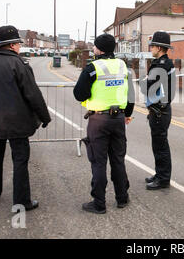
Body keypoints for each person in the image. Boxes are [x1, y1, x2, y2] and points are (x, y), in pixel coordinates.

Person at [0, 25, 51, 211]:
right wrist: (44, 117)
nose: (19, 48)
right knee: (20, 161)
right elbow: (33, 94)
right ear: (13, 45)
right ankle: (21, 201)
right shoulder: (20, 65)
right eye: (18, 44)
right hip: (18, 123)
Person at [74, 34, 135, 214]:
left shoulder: (92, 67)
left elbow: (79, 94)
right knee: (118, 159)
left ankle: (99, 203)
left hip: (98, 120)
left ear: (99, 49)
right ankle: (122, 198)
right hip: (118, 119)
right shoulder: (123, 66)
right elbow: (130, 94)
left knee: (99, 161)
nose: (93, 49)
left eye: (94, 46)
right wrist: (127, 114)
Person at [140, 31, 176, 190]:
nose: (151, 48)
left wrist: (144, 82)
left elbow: (147, 87)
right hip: (160, 109)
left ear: (160, 48)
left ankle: (163, 179)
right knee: (158, 145)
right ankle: (160, 174)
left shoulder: (161, 65)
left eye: (152, 46)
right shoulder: (166, 63)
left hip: (159, 111)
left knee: (160, 146)